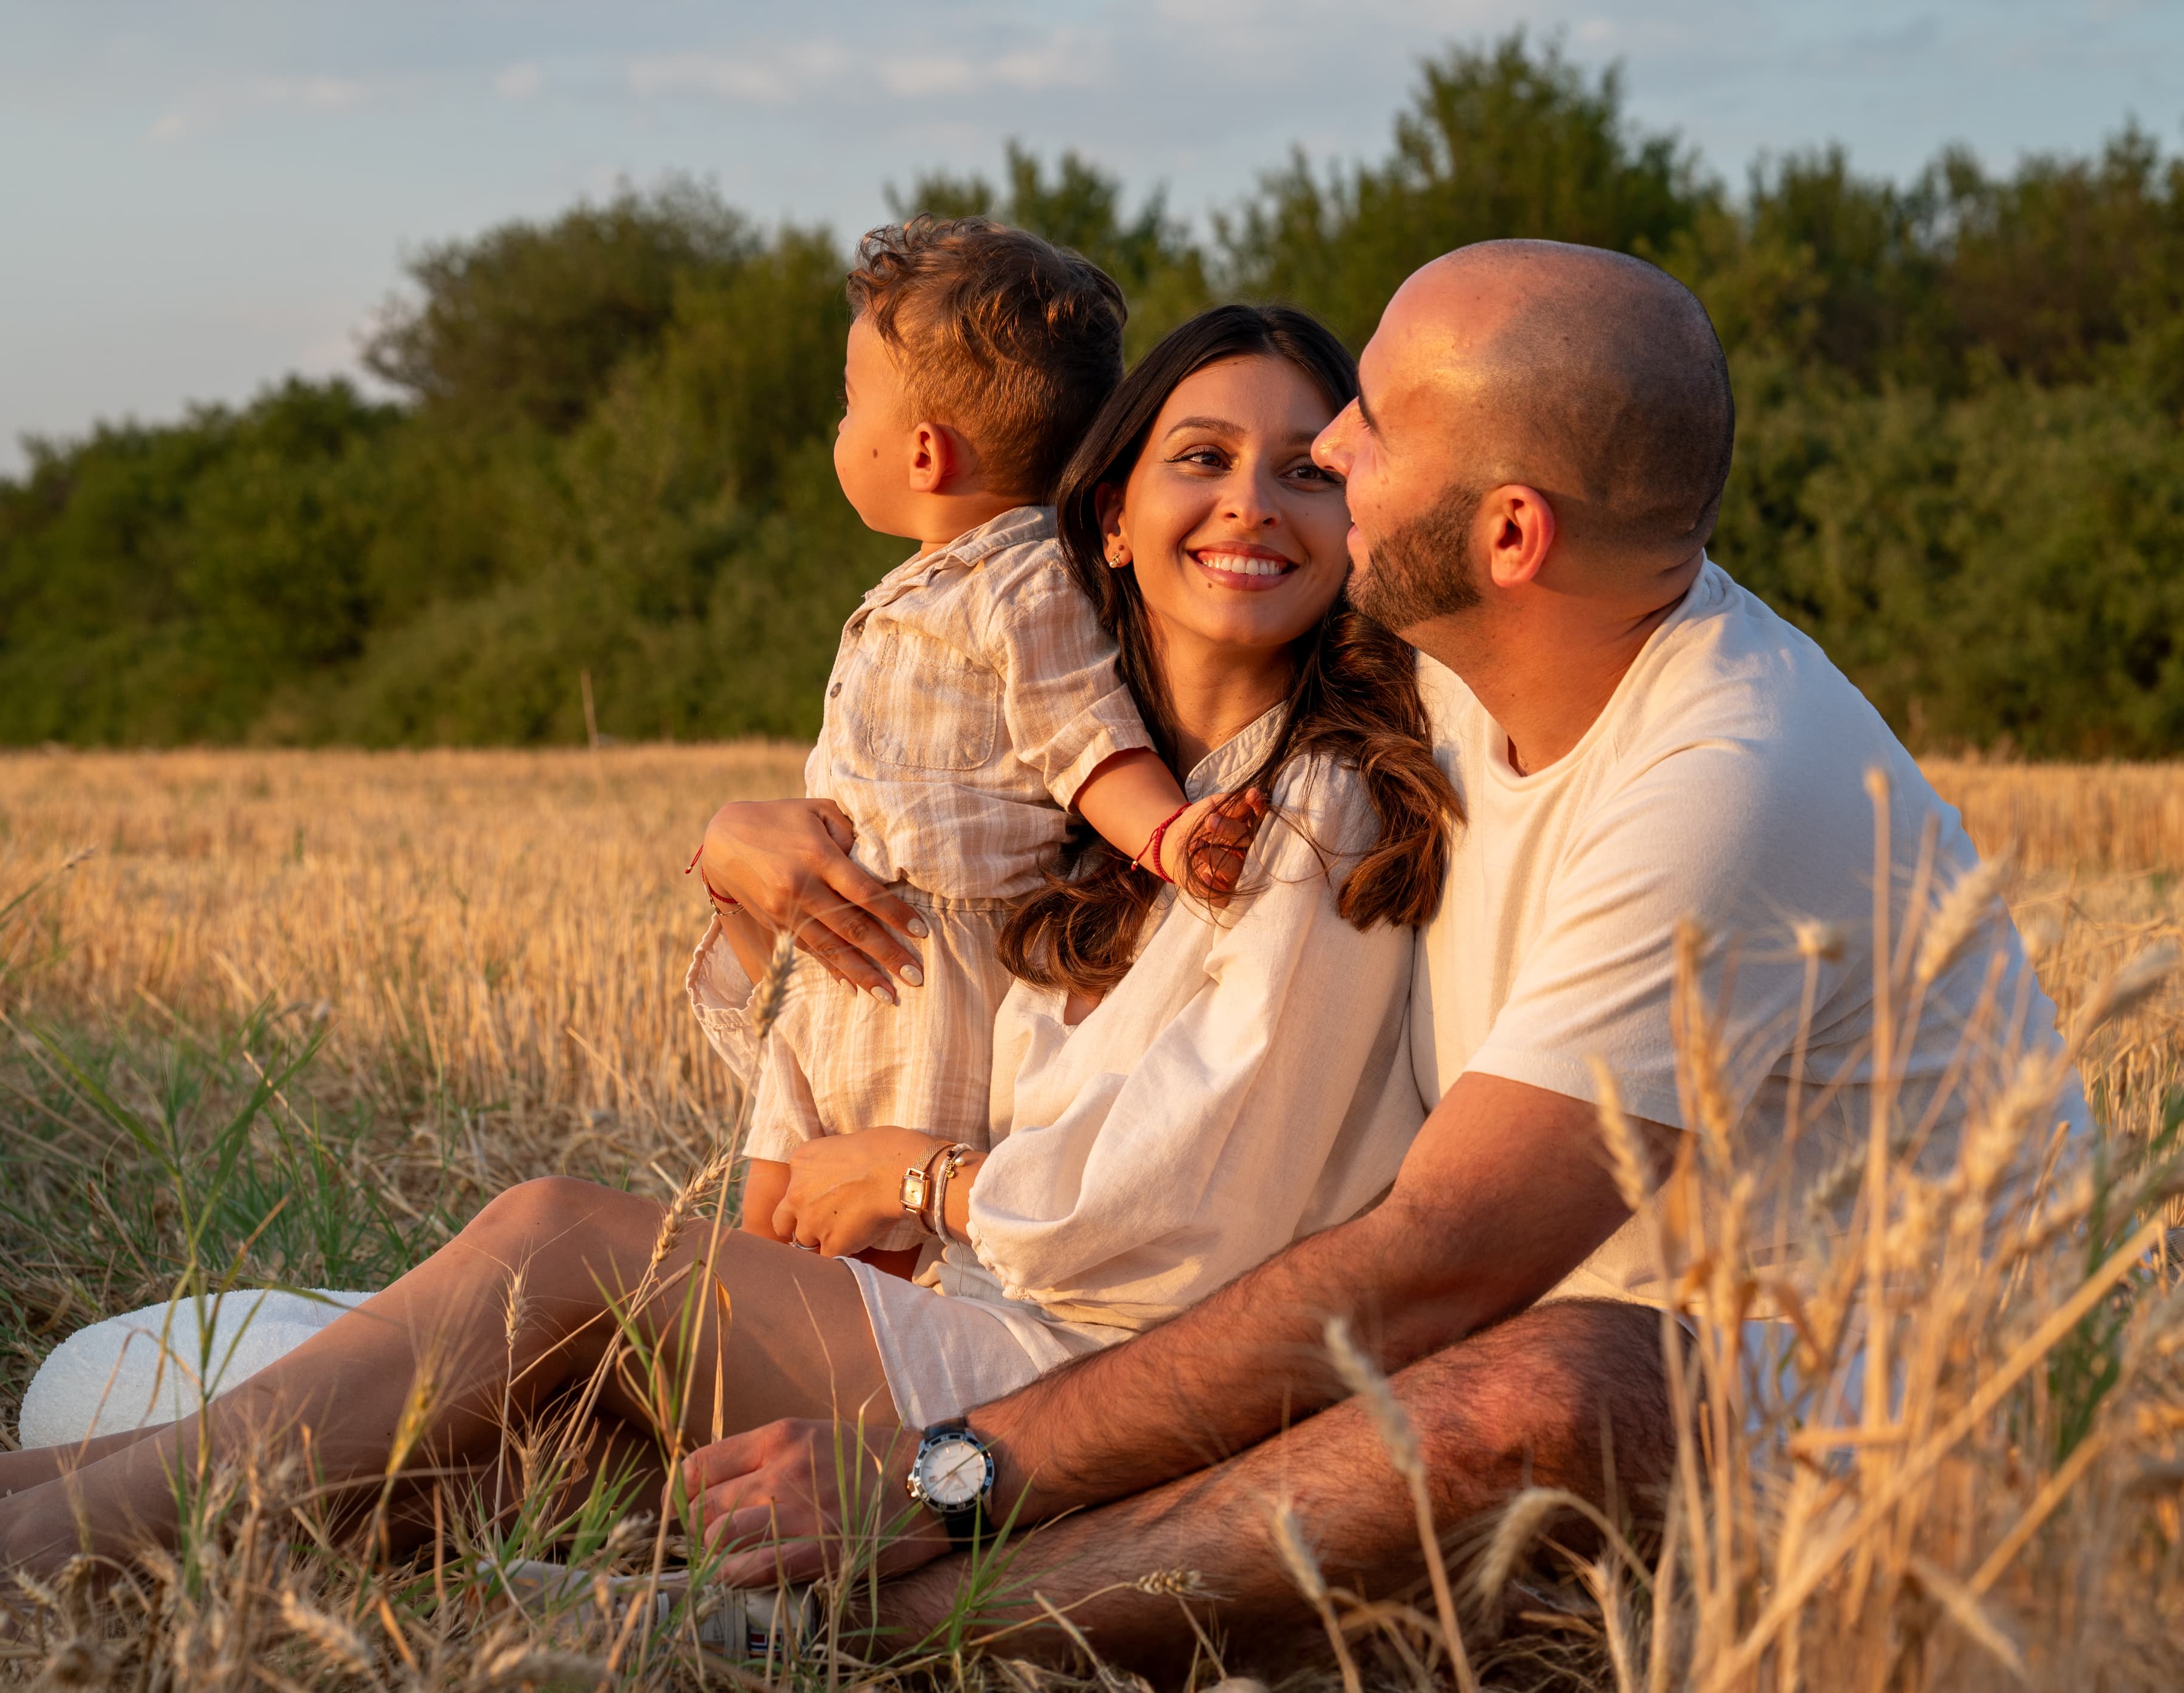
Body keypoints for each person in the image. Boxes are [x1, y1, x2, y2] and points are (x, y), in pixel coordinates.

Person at [0, 303, 1457, 1646]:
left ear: (1356, 524)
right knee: (488, 1464)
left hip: (1099, 1384)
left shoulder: (1324, 798)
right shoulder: (1068, 788)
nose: (1256, 500)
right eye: (1204, 455)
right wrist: (749, 876)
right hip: (988, 1312)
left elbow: (1203, 1207)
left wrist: (927, 1179)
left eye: (1308, 469)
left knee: (558, 1239)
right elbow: (855, 1048)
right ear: (1108, 512)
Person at [677, 239, 2091, 1674]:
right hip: (1560, 1349)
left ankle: (882, 1626)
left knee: (1541, 1383)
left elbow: (1436, 1262)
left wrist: (943, 1476)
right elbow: (1034, 717)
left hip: (1924, 1439)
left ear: (1512, 536)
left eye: (1372, 430)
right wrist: (746, 842)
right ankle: (740, 1577)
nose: (1333, 448)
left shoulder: (1731, 774)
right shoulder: (1462, 671)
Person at [704, 215, 1242, 1273]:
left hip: (924, 966)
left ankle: (843, 1404)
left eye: (850, 402)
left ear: (924, 452)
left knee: (870, 1250)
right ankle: (725, 1384)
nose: (838, 423)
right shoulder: (938, 575)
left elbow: (1086, 740)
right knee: (763, 1220)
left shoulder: (1025, 576)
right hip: (848, 950)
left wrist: (1170, 837)